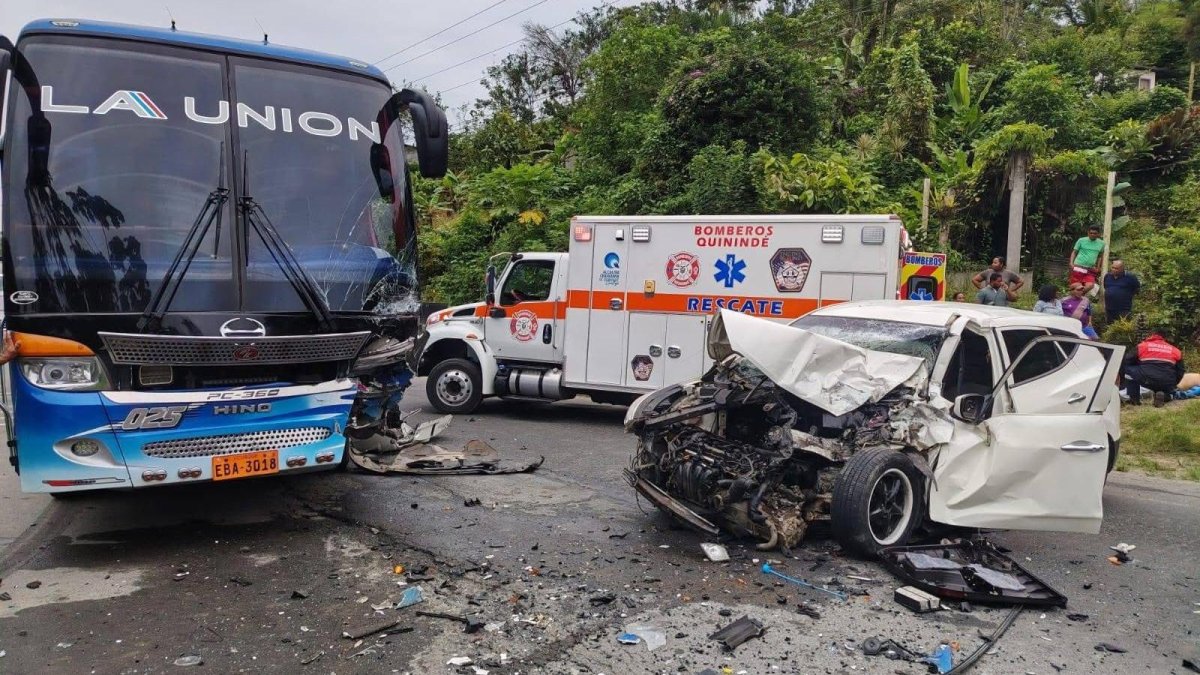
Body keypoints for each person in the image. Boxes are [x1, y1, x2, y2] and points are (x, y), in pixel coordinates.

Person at [1124, 329, 1185, 407]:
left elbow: (1127, 360)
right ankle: (1164, 396)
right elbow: (1181, 371)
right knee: (1167, 392)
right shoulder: (1176, 350)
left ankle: (1134, 400)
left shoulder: (1142, 346)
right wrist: (1173, 384)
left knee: (1128, 369)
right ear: (1165, 338)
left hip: (1147, 379)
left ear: (1151, 336)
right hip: (1167, 381)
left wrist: (1140, 364)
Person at [1068, 225, 1105, 295]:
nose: (1092, 235)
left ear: (1098, 234)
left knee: (1090, 285)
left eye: (1095, 233)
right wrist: (1071, 263)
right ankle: (1075, 297)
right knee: (1076, 287)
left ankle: (1078, 296)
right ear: (1088, 233)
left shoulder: (1102, 243)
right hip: (1078, 267)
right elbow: (1074, 252)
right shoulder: (1081, 240)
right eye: (1091, 233)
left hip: (1090, 269)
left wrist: (1098, 267)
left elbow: (1100, 256)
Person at [1102, 259, 1140, 324]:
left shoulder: (1130, 277)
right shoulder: (1107, 276)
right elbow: (1106, 287)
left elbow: (1136, 289)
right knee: (1110, 326)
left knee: (1123, 326)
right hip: (1109, 309)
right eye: (1112, 267)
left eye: (1116, 268)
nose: (1113, 270)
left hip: (1124, 309)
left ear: (1122, 269)